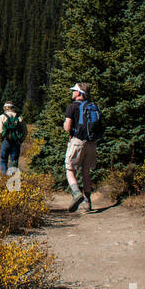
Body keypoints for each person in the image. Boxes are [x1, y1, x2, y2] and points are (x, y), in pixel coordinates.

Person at [63, 82, 103, 212]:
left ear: (80, 93)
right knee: (86, 172)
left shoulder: (72, 107)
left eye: (74, 90)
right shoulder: (93, 106)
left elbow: (68, 127)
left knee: (70, 169)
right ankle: (88, 202)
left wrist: (65, 125)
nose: (72, 92)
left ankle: (76, 193)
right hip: (91, 143)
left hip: (77, 142)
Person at [0, 101, 26, 174]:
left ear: (5, 108)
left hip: (6, 141)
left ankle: (4, 176)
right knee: (14, 160)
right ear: (13, 107)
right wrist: (20, 140)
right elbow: (24, 131)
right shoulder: (19, 117)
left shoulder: (2, 117)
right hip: (16, 142)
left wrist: (0, 140)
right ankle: (12, 178)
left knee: (3, 160)